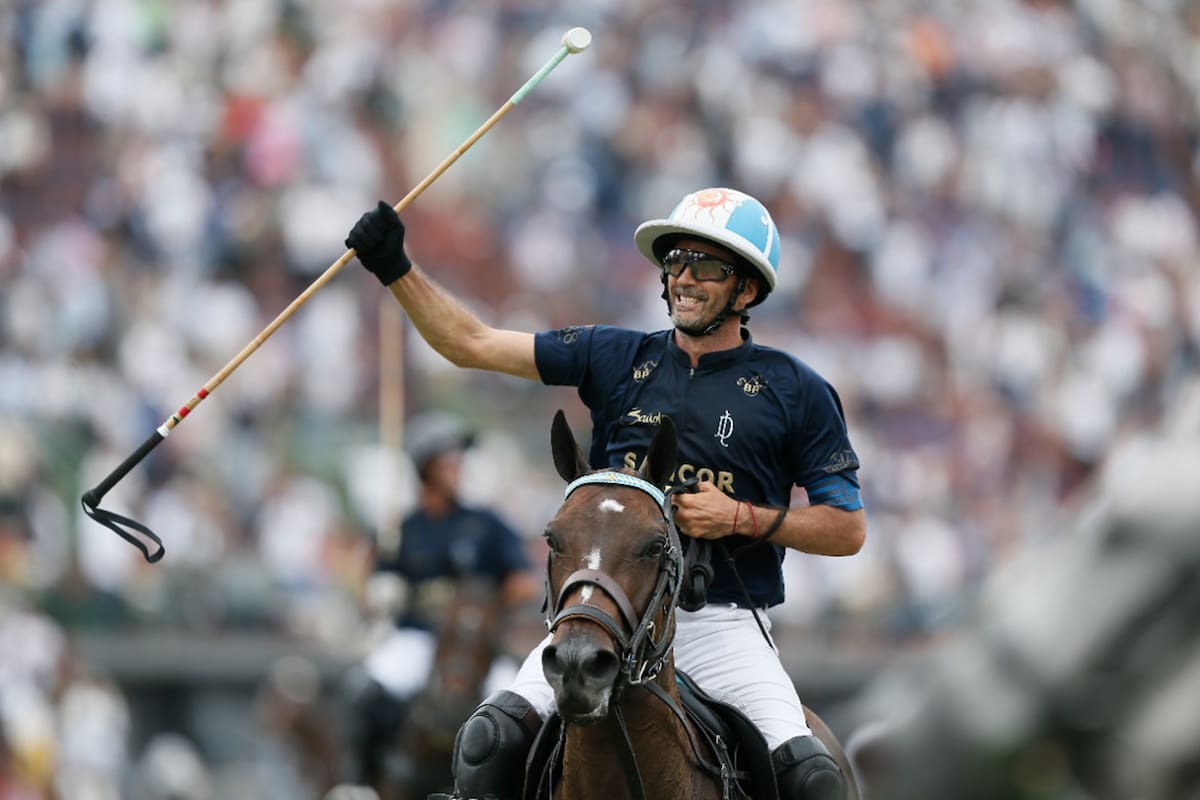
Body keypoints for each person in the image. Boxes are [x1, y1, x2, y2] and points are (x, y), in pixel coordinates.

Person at [346, 187, 867, 800]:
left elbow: (847, 528)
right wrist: (395, 267)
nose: (683, 278)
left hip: (721, 626)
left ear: (747, 289)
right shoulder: (616, 356)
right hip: (604, 614)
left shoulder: (797, 389)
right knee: (486, 742)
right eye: (675, 261)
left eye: (706, 266)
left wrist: (742, 518)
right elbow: (472, 343)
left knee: (813, 779)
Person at [343, 412, 539, 791]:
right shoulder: (401, 530)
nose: (458, 465)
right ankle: (363, 785)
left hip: (475, 647)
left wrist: (484, 601)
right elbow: (369, 585)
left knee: (520, 711)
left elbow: (525, 583)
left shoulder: (486, 524)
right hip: (418, 639)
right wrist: (381, 591)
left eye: (458, 458)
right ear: (425, 467)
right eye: (449, 459)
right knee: (365, 693)